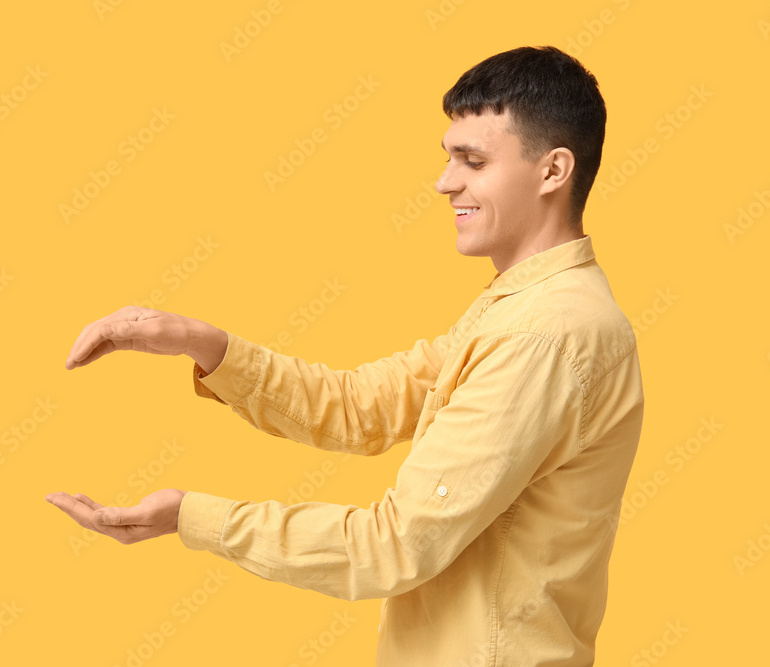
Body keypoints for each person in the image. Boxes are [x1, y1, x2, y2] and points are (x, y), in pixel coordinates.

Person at [46, 45, 644, 666]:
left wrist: (192, 518)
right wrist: (203, 343)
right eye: (448, 157)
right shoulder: (517, 309)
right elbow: (360, 407)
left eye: (473, 160)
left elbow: (392, 545)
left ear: (552, 172)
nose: (445, 181)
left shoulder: (545, 334)